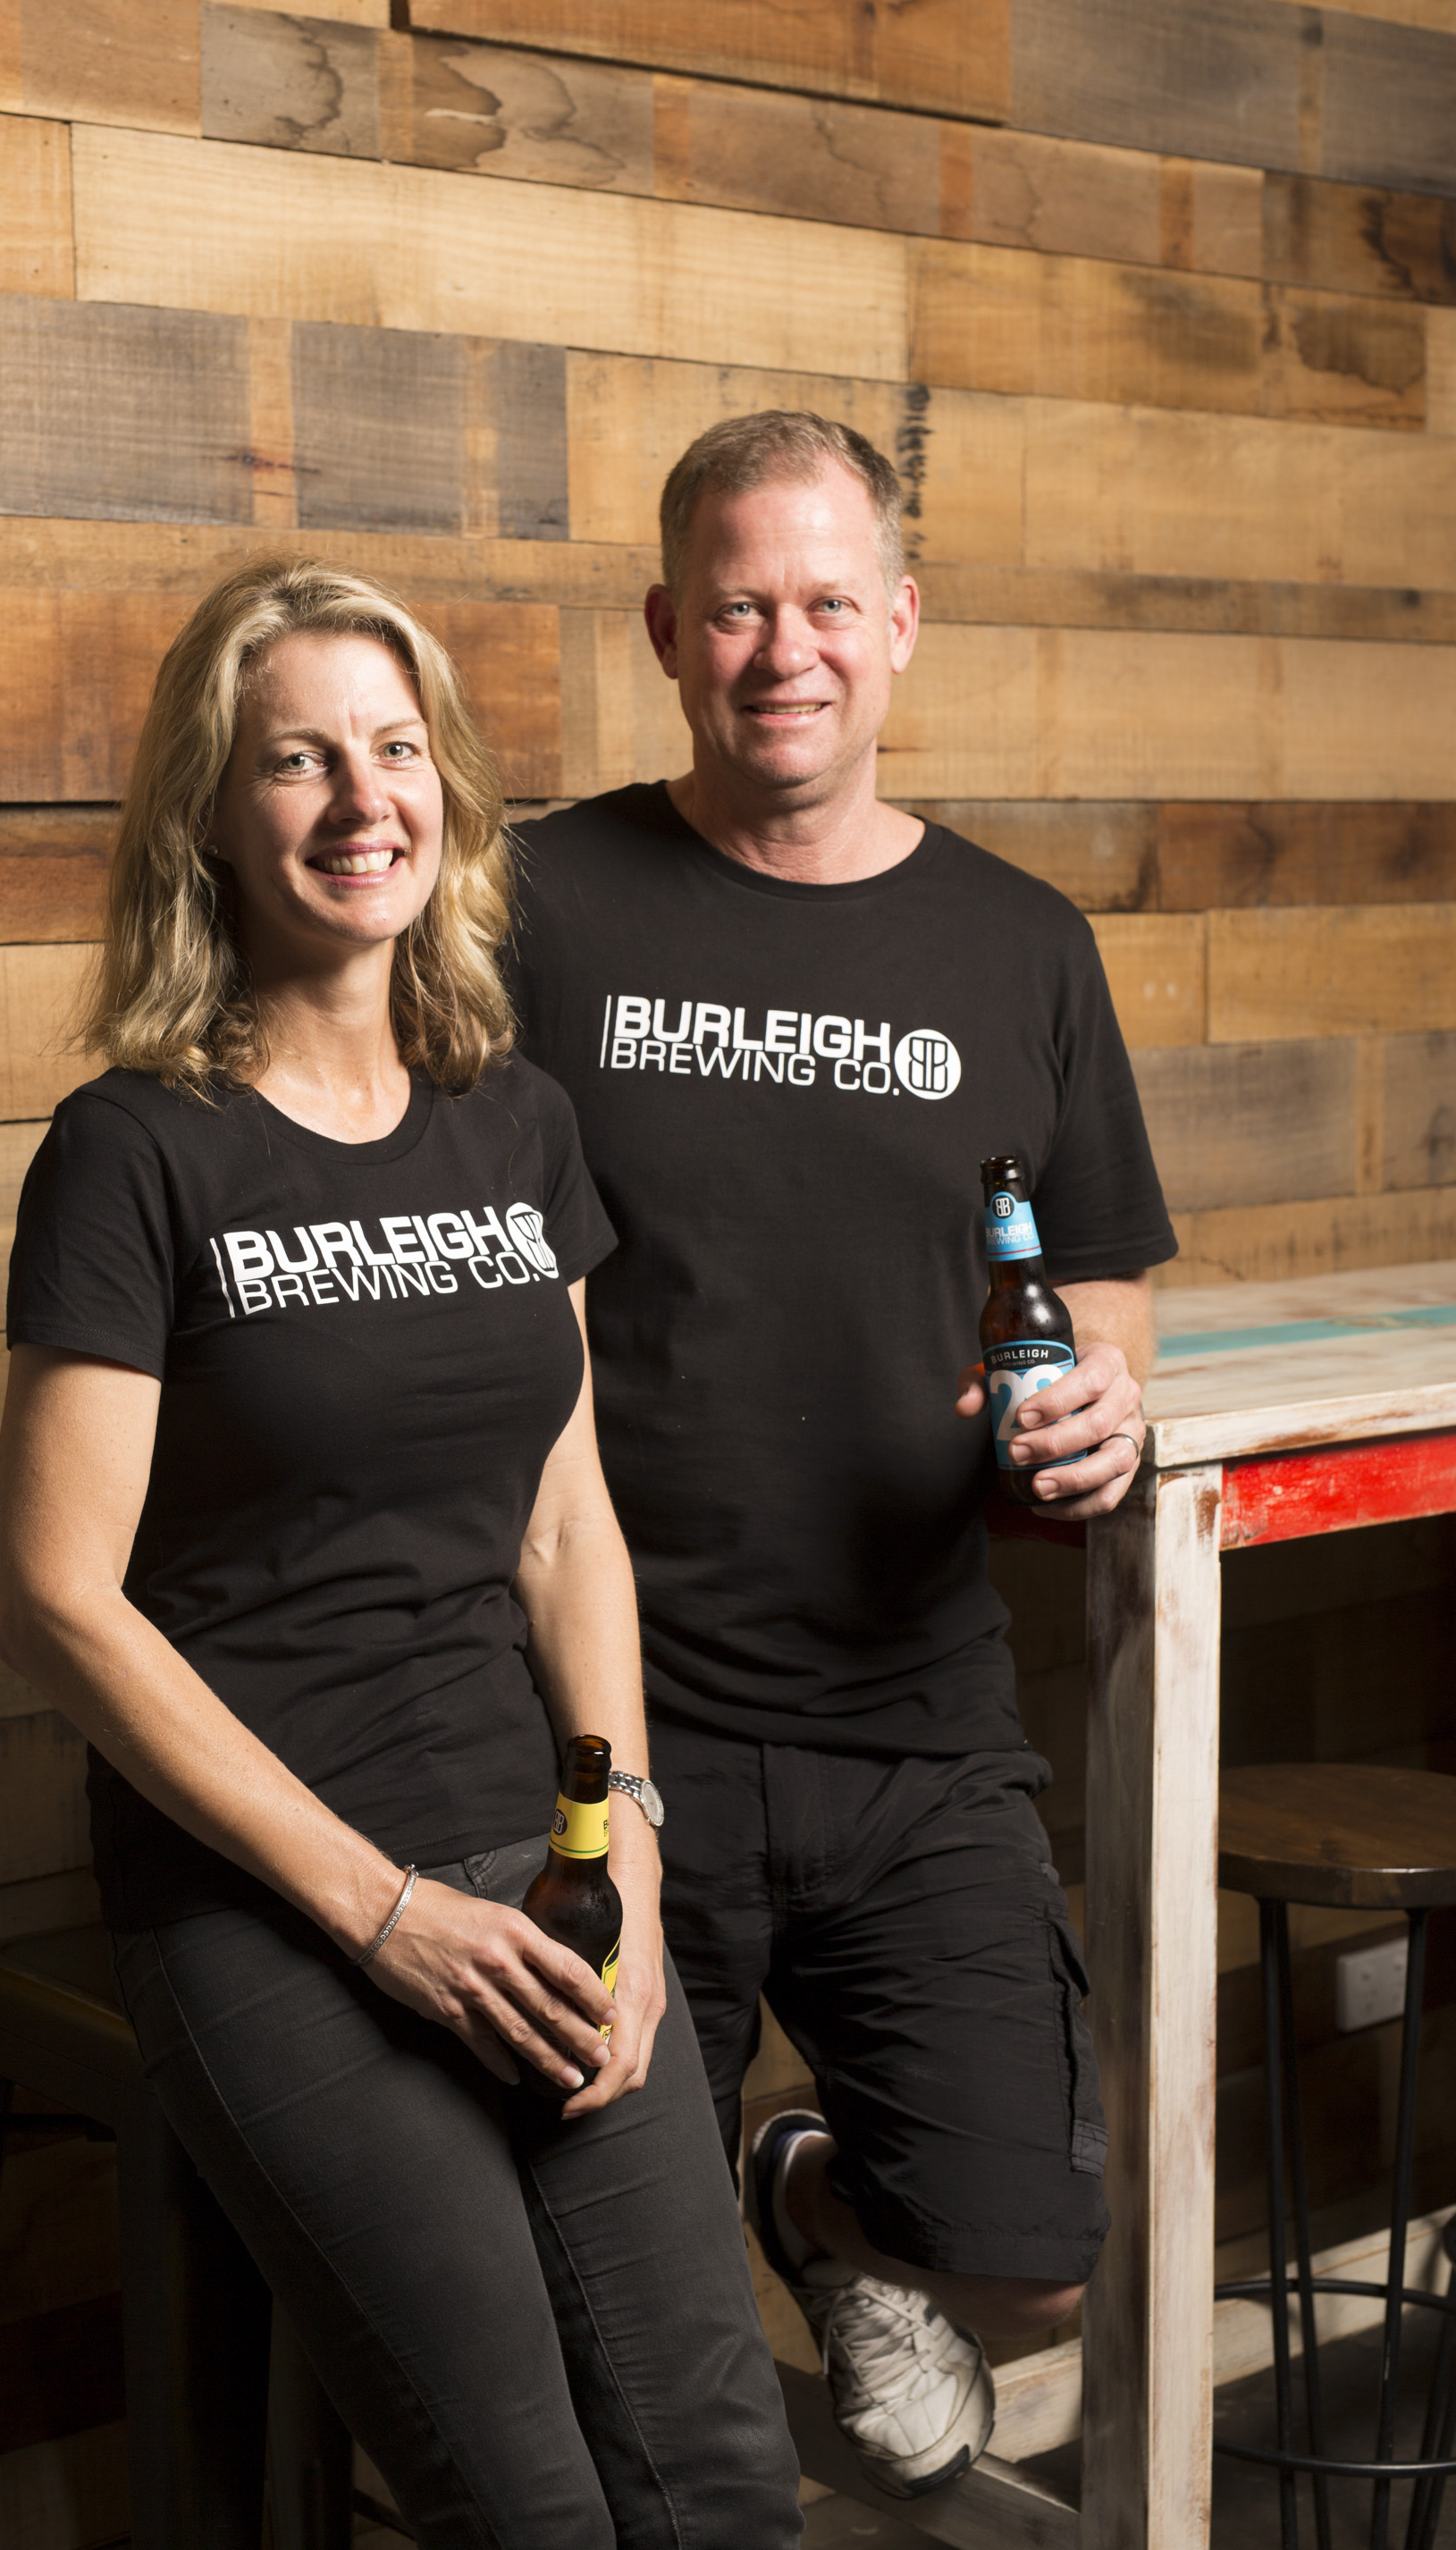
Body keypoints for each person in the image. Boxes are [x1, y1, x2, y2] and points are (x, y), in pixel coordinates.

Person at [0, 560, 803, 2549]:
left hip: (531, 1862)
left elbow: (563, 1516)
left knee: (721, 2480)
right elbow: (55, 1600)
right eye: (297, 760)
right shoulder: (137, 1151)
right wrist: (374, 1915)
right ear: (212, 812)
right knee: (524, 2504)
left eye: (395, 748)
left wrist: (628, 1857)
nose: (363, 801)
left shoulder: (514, 1122)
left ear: (444, 790)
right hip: (268, 1898)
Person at [506, 414, 1177, 2499]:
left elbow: (1104, 1277)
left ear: (897, 626)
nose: (779, 649)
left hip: (911, 1717)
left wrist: (1106, 1406)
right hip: (616, 1721)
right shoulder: (538, 897)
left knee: (1039, 2264)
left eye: (821, 603)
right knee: (612, 2337)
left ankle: (817, 2200)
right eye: (733, 607)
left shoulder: (1020, 944)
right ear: (662, 632)